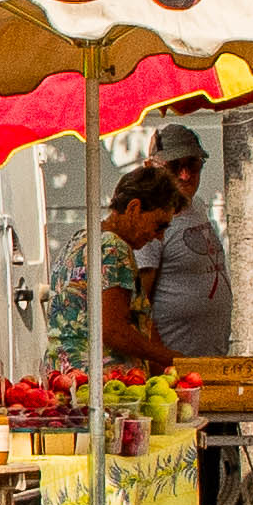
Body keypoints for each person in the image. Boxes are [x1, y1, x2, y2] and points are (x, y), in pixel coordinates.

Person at [46, 167, 182, 372]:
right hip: (102, 383)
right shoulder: (113, 247)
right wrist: (173, 359)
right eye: (159, 225)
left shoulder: (80, 239)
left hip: (63, 375)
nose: (159, 236)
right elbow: (113, 330)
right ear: (134, 208)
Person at [135, 125, 231, 360]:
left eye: (193, 164)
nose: (185, 174)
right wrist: (163, 364)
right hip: (175, 367)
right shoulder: (150, 219)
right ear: (152, 168)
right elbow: (139, 307)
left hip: (208, 360)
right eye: (174, 166)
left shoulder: (195, 204)